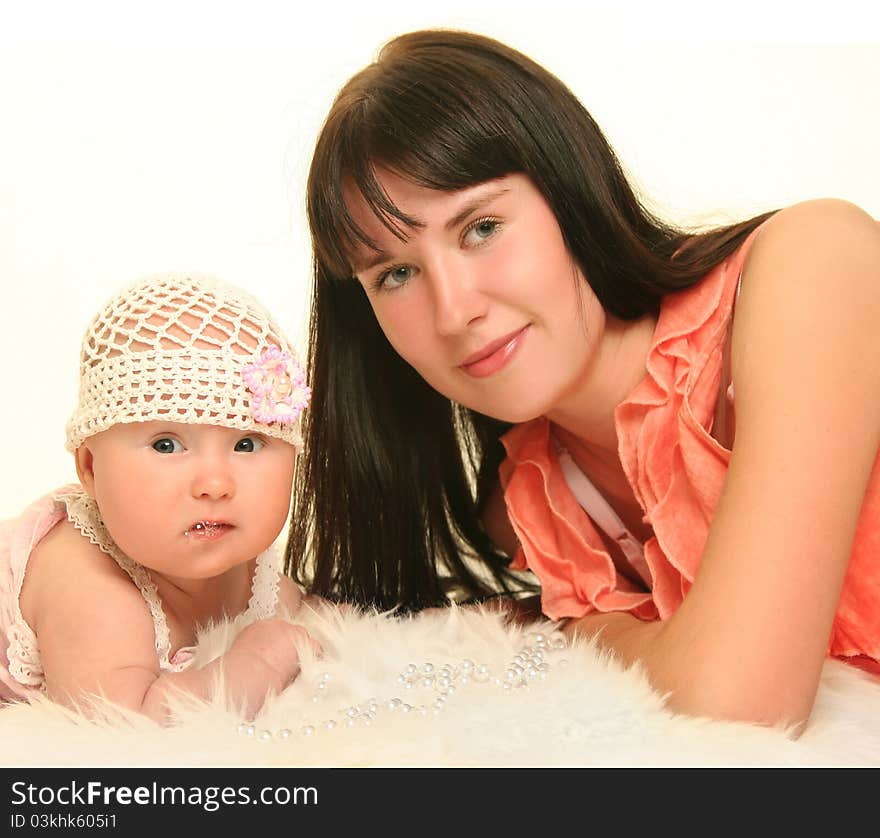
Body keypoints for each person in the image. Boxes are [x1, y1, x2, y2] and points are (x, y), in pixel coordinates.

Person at [288, 28, 880, 729]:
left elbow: (739, 702)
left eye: (480, 228)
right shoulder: (533, 507)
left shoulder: (813, 262)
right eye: (395, 274)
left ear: (568, 189)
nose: (454, 312)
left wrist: (593, 632)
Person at [1, 273, 317, 722]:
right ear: (90, 468)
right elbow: (127, 725)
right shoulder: (88, 585)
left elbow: (303, 613)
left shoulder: (243, 559)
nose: (215, 484)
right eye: (167, 445)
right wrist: (261, 660)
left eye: (247, 443)